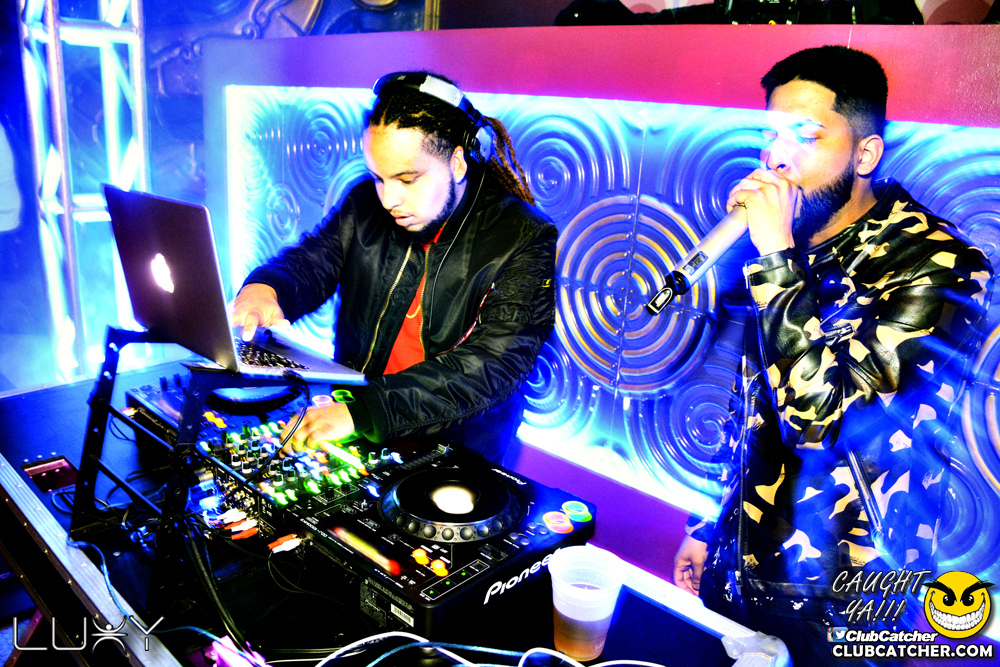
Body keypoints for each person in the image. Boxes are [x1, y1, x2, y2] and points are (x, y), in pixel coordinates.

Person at [672, 46, 993, 664]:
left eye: (806, 136)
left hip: (850, 603)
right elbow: (752, 409)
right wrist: (705, 526)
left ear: (865, 154)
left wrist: (774, 257)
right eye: (770, 135)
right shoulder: (792, 246)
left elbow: (820, 422)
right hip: (741, 572)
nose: (777, 157)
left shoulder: (940, 265)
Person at [231, 71, 556, 464]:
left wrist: (365, 412)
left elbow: (492, 364)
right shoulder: (365, 203)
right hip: (357, 423)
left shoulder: (522, 237)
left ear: (456, 163)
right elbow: (311, 262)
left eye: (407, 179)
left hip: (453, 452)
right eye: (379, 178)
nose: (388, 199)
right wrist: (266, 288)